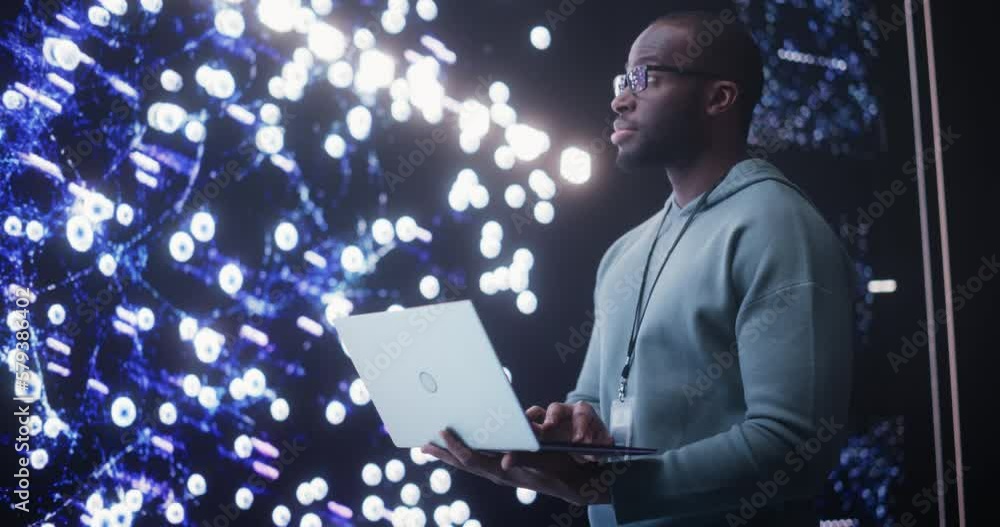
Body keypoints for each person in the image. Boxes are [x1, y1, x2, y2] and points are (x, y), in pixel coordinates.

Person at [422, 5, 856, 526]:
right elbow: (591, 405)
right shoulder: (623, 253)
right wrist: (555, 438)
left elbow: (795, 449)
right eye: (622, 80)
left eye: (644, 78)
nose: (619, 99)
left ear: (719, 97)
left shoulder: (778, 226)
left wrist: (612, 487)